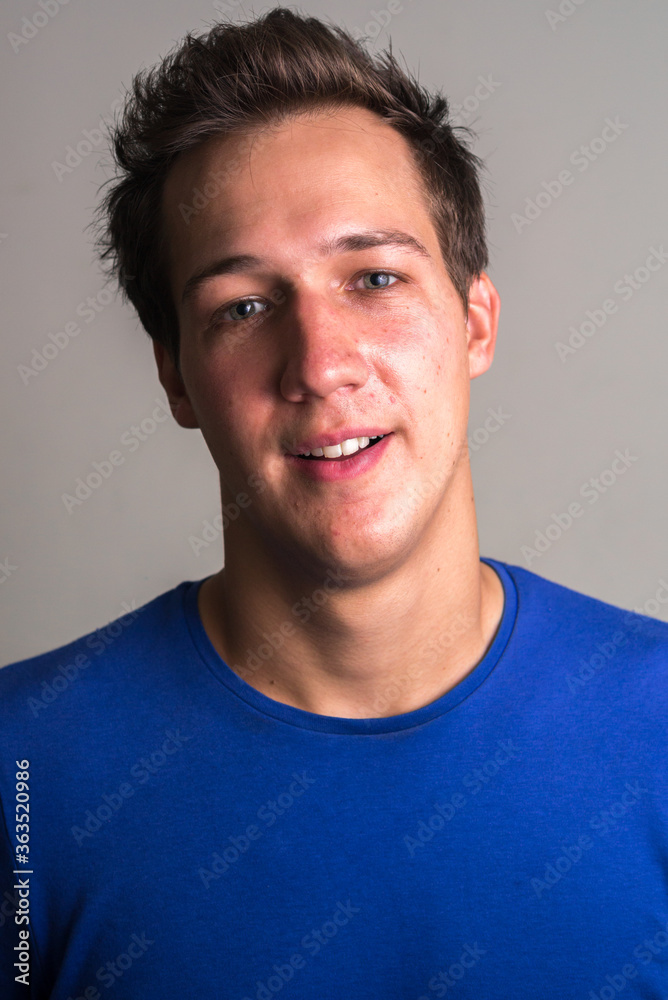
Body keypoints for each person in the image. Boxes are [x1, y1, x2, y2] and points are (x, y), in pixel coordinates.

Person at [1, 8, 666, 998]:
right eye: (244, 306)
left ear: (475, 319)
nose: (318, 363)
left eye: (374, 277)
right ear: (177, 380)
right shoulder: (21, 772)